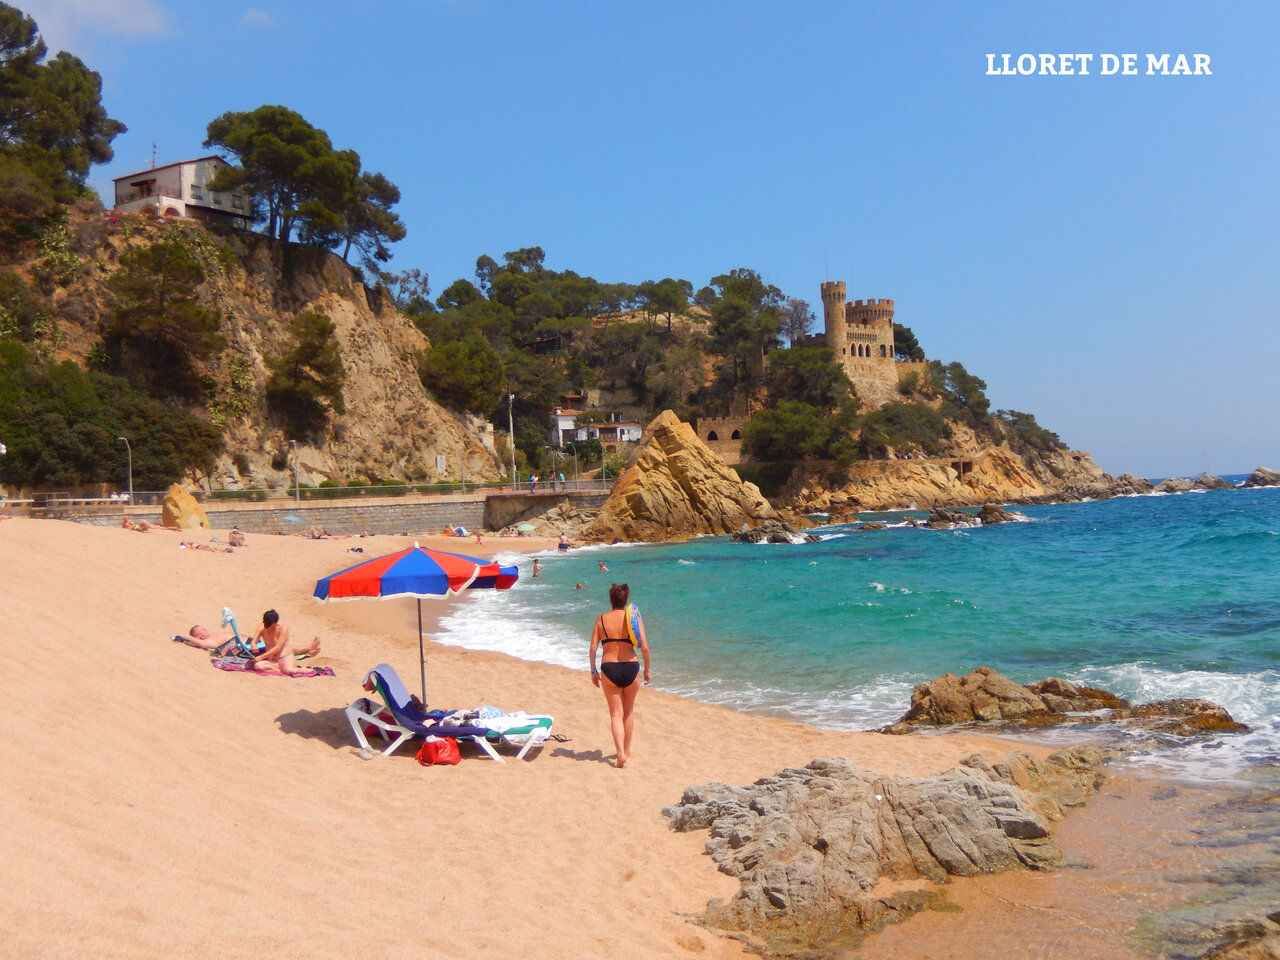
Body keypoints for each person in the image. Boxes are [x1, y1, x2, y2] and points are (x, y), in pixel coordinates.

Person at [588, 583, 650, 768]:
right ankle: (627, 751)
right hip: (631, 667)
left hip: (609, 668)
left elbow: (593, 648)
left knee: (616, 714)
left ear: (610, 600)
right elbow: (644, 647)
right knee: (628, 712)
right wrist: (647, 669)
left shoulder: (601, 620)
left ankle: (620, 753)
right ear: (626, 600)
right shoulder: (633, 619)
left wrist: (593, 671)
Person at [184, 624, 320, 658]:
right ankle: (309, 648)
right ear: (198, 636)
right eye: (201, 630)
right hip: (246, 647)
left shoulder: (213, 637)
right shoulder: (208, 642)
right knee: (280, 648)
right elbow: (197, 642)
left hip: (250, 642)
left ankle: (308, 650)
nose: (204, 629)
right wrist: (182, 637)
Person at [247, 609, 314, 676]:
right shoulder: (261, 627)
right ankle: (280, 670)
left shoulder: (283, 628)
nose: (271, 628)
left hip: (285, 657)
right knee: (258, 666)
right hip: (272, 660)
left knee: (290, 670)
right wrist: (253, 645)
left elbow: (278, 648)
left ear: (276, 623)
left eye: (273, 626)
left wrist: (261, 657)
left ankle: (301, 670)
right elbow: (254, 641)